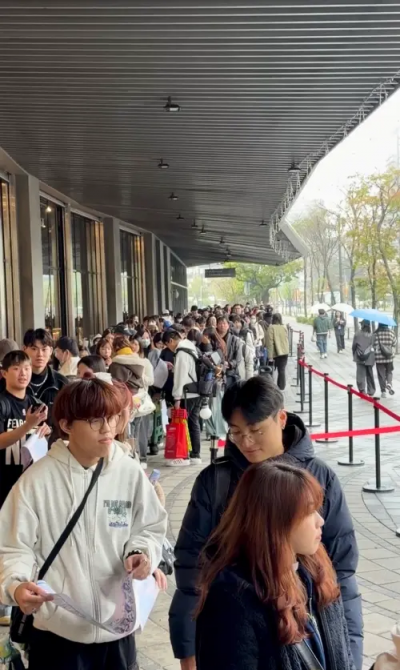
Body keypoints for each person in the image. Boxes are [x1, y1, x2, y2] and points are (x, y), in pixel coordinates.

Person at [169, 375, 362, 670]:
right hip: (244, 636)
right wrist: (187, 647)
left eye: (256, 430)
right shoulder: (217, 482)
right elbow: (190, 566)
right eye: (236, 432)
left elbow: (342, 573)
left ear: (281, 419)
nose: (246, 442)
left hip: (311, 637)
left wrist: (350, 653)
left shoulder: (319, 478)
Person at [0, 377, 167, 670]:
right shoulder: (35, 482)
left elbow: (149, 527)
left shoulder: (129, 472)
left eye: (112, 418)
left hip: (118, 634)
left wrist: (142, 552)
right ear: (66, 425)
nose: (108, 428)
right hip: (57, 635)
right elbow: (13, 546)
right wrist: (16, 585)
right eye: (94, 420)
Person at [196, 462, 355, 670]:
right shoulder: (231, 602)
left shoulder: (316, 574)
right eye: (309, 511)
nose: (321, 521)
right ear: (277, 522)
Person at [23, 328, 68, 430]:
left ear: (51, 351)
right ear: (24, 349)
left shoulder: (61, 384)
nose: (40, 354)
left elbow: (69, 421)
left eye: (44, 349)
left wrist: (51, 432)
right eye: (34, 349)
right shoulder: (13, 381)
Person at [173, 332, 202, 465]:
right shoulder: (192, 349)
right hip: (197, 391)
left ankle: (183, 455)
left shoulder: (181, 352)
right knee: (194, 423)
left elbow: (180, 376)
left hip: (186, 394)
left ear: (171, 341)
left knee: (182, 424)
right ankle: (196, 455)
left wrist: (177, 397)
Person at [266, 312, 289, 390]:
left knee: (271, 370)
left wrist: (270, 356)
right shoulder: (284, 327)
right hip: (284, 352)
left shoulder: (271, 327)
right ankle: (281, 387)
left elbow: (269, 343)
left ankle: (270, 386)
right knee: (282, 370)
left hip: (275, 353)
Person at [352, 320, 376, 397]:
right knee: (369, 374)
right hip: (369, 357)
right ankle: (371, 390)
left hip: (359, 357)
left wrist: (354, 354)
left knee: (360, 374)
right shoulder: (372, 335)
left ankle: (362, 390)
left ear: (362, 325)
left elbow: (354, 346)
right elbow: (374, 346)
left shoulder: (357, 334)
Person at [373, 323, 397, 398]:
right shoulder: (391, 332)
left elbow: (374, 345)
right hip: (389, 356)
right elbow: (394, 343)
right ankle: (389, 383)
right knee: (389, 371)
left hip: (379, 358)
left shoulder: (376, 333)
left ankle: (383, 391)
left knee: (381, 375)